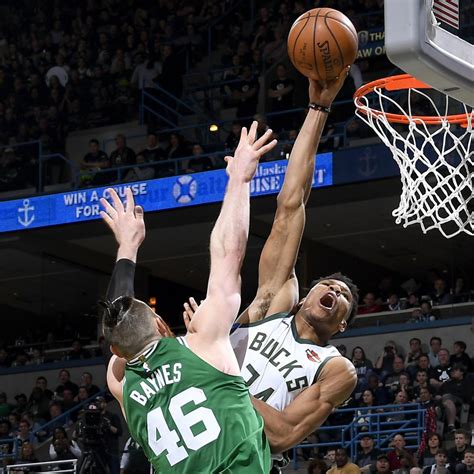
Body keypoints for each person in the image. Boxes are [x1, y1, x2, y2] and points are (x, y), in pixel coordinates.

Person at [111, 73, 357, 469]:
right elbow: (290, 205)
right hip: (195, 442)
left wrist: (213, 371)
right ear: (305, 293)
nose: (335, 291)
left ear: (343, 325)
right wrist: (318, 108)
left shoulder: (334, 368)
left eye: (345, 297)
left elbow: (283, 435)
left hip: (248, 456)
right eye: (328, 285)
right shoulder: (268, 306)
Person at [101, 122, 277, 472]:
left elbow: (117, 323)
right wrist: (239, 180)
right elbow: (229, 255)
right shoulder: (202, 344)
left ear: (117, 351)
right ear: (162, 323)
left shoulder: (121, 386)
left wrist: (127, 249)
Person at [438, 364, 472, 432]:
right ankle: (451, 424)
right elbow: (438, 393)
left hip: (460, 402)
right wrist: (437, 396)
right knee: (446, 402)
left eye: (455, 370)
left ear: (462, 372)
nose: (452, 372)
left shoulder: (467, 382)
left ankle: (452, 418)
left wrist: (451, 395)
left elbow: (468, 396)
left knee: (447, 397)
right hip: (445, 403)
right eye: (451, 371)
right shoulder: (447, 383)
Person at [96, 396, 122, 474]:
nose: (98, 404)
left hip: (111, 448)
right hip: (99, 448)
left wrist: (108, 425)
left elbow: (119, 432)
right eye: (97, 403)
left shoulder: (112, 416)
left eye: (100, 402)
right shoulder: (95, 418)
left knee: (114, 470)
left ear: (105, 404)